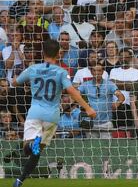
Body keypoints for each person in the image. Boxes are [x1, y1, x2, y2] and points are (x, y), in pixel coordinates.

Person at [12, 39, 96, 187]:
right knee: (37, 152)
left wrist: (22, 81)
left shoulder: (32, 69)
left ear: (42, 52)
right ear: (58, 54)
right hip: (52, 116)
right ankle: (20, 180)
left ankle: (27, 159)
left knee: (28, 148)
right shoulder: (61, 72)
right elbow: (71, 90)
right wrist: (87, 108)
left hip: (35, 113)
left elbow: (15, 82)